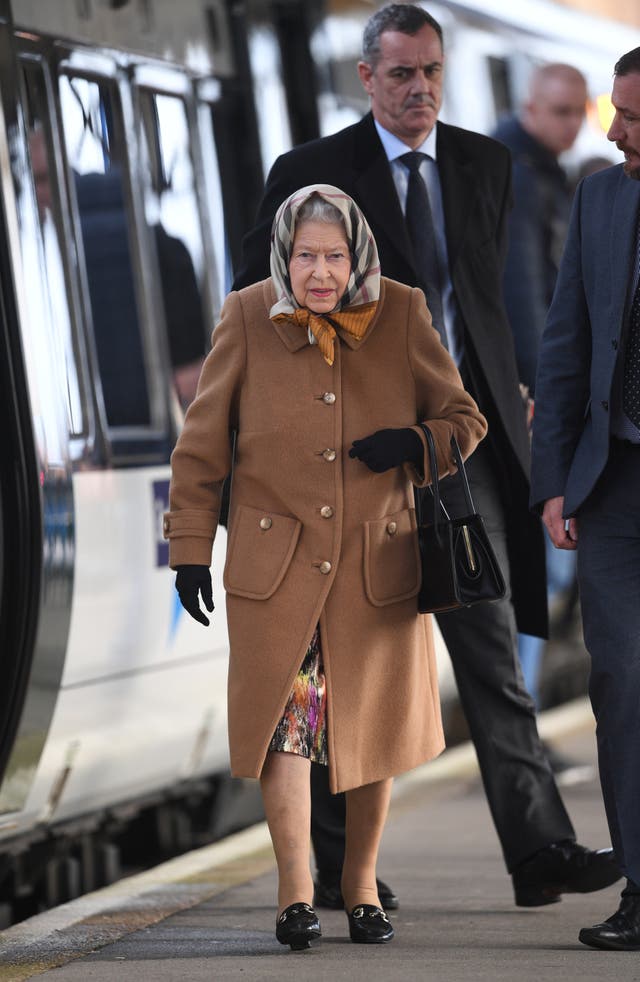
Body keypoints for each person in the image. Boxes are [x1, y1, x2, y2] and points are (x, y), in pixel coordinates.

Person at [233, 2, 621, 911]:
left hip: (460, 444)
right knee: (338, 659)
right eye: (402, 73)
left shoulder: (487, 164)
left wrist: (526, 400)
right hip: (349, 456)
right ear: (366, 78)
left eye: (432, 72)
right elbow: (259, 298)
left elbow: (499, 296)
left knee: (491, 649)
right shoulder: (311, 172)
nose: (421, 89)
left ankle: (538, 849)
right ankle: (334, 872)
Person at [164, 183, 487, 949]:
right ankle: (293, 896)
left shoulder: (402, 311)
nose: (318, 272)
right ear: (285, 255)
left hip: (377, 569)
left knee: (369, 732)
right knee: (287, 729)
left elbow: (464, 420)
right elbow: (202, 445)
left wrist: (415, 445)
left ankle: (362, 887)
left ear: (356, 258)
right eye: (305, 255)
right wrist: (188, 550)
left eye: (333, 257)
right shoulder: (246, 314)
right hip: (277, 571)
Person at [531, 47, 640, 951]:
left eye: (634, 118)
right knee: (621, 685)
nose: (614, 132)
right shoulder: (602, 197)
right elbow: (565, 342)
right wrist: (557, 477)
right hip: (614, 488)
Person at [492, 64, 587, 710]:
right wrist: (536, 395)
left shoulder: (540, 173)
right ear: (529, 108)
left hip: (533, 400)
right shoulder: (520, 178)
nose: (572, 125)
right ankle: (518, 709)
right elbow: (526, 301)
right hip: (531, 405)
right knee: (539, 563)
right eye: (559, 111)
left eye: (579, 112)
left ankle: (520, 708)